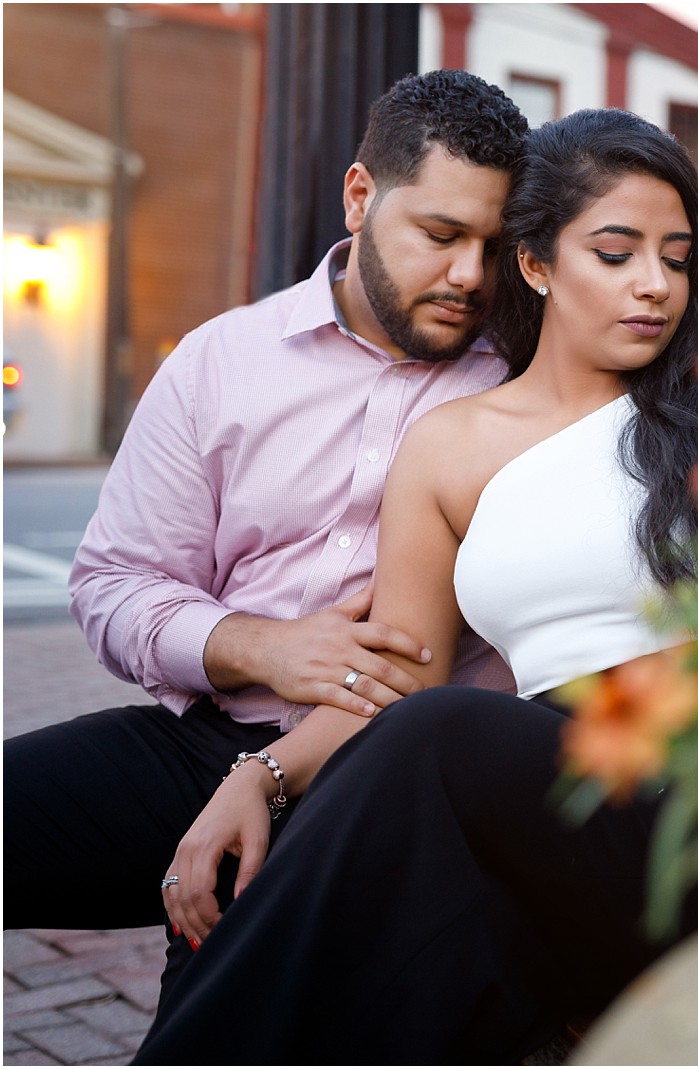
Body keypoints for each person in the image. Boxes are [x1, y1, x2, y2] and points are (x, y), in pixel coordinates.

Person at [132, 106, 698, 1064]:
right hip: (560, 823)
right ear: (536, 264)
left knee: (439, 741)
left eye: (677, 254)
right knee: (418, 929)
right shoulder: (449, 446)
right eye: (615, 253)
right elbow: (398, 676)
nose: (655, 285)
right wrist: (262, 775)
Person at [2, 70, 528, 988]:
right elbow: (115, 583)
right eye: (441, 235)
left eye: (493, 243)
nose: (470, 275)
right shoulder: (220, 361)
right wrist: (261, 648)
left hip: (388, 775)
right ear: (361, 197)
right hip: (206, 735)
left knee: (213, 999)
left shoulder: (523, 384)